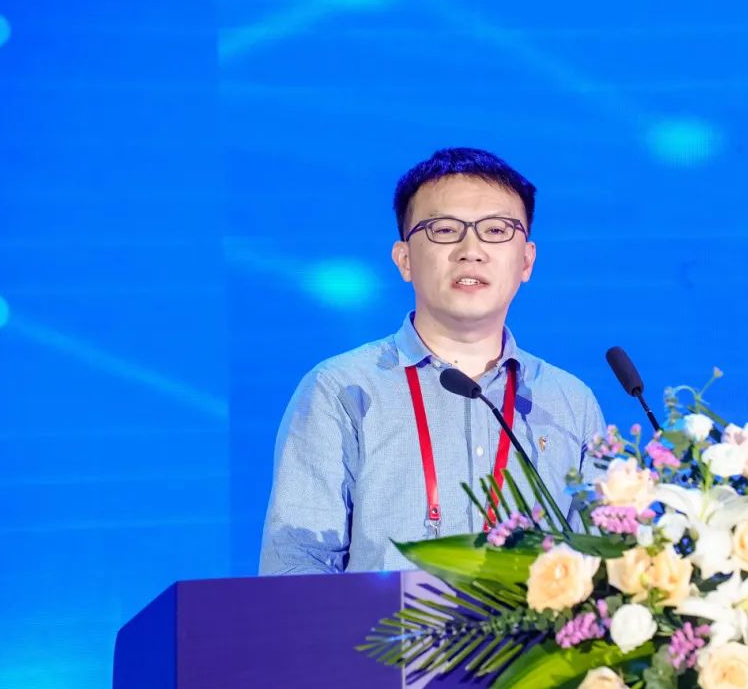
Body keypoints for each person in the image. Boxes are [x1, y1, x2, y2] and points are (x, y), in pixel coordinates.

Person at [259, 147, 605, 575]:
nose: (471, 250)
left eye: (496, 230)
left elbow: (602, 570)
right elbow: (295, 569)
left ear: (526, 261)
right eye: (444, 230)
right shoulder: (341, 389)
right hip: (384, 623)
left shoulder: (570, 402)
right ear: (404, 259)